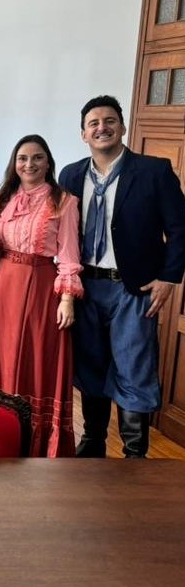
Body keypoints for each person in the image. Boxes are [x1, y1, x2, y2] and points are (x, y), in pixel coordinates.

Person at [60, 95, 185, 458]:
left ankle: (134, 455)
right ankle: (93, 442)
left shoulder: (153, 171)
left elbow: (180, 228)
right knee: (91, 366)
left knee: (134, 368)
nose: (102, 128)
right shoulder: (70, 175)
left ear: (123, 126)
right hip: (86, 287)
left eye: (109, 120)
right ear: (83, 134)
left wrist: (169, 277)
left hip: (133, 287)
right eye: (94, 123)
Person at [0, 134, 82, 458]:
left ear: (48, 162)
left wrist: (67, 298)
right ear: (14, 163)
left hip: (41, 285)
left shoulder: (64, 201)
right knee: (2, 354)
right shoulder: (3, 198)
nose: (30, 164)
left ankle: (36, 440)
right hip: (4, 282)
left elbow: (68, 253)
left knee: (36, 357)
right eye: (23, 158)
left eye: (37, 157)